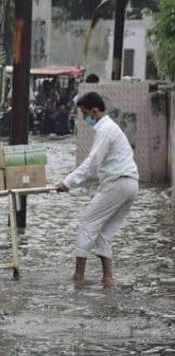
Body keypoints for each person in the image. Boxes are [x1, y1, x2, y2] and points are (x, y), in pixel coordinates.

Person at [55, 92, 139, 287]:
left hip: (117, 182)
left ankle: (78, 276)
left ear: (95, 111)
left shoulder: (106, 129)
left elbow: (92, 163)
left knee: (87, 223)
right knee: (105, 232)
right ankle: (108, 278)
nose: (84, 118)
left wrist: (67, 182)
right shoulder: (111, 128)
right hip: (131, 184)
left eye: (85, 113)